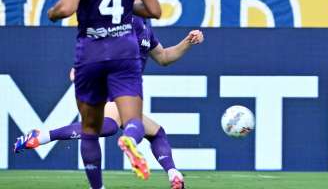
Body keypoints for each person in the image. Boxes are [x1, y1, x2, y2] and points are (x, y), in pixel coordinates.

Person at [14, 13, 203, 189]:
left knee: (155, 133)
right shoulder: (126, 20)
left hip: (124, 89)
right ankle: (127, 143)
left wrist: (187, 42)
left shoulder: (145, 28)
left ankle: (173, 173)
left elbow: (164, 57)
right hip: (110, 86)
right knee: (111, 126)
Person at [46, 0, 162, 188]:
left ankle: (98, 187)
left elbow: (67, 8)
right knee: (132, 119)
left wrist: (53, 12)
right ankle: (130, 140)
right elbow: (155, 10)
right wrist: (125, 5)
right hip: (124, 49)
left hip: (91, 51)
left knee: (89, 130)